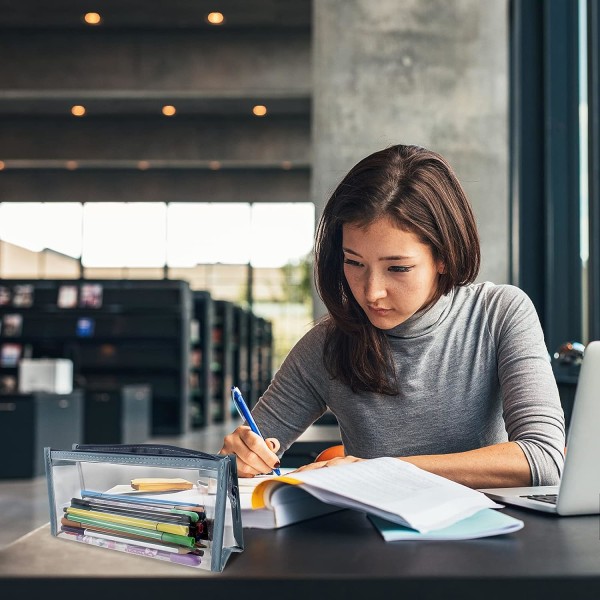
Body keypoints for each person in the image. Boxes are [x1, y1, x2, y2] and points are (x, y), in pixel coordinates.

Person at [220, 144, 566, 489]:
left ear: (443, 257)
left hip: (490, 536)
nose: (371, 292)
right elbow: (246, 459)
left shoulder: (499, 313)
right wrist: (242, 458)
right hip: (370, 540)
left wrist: (377, 470)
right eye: (354, 262)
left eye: (397, 268)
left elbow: (543, 459)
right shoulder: (326, 344)